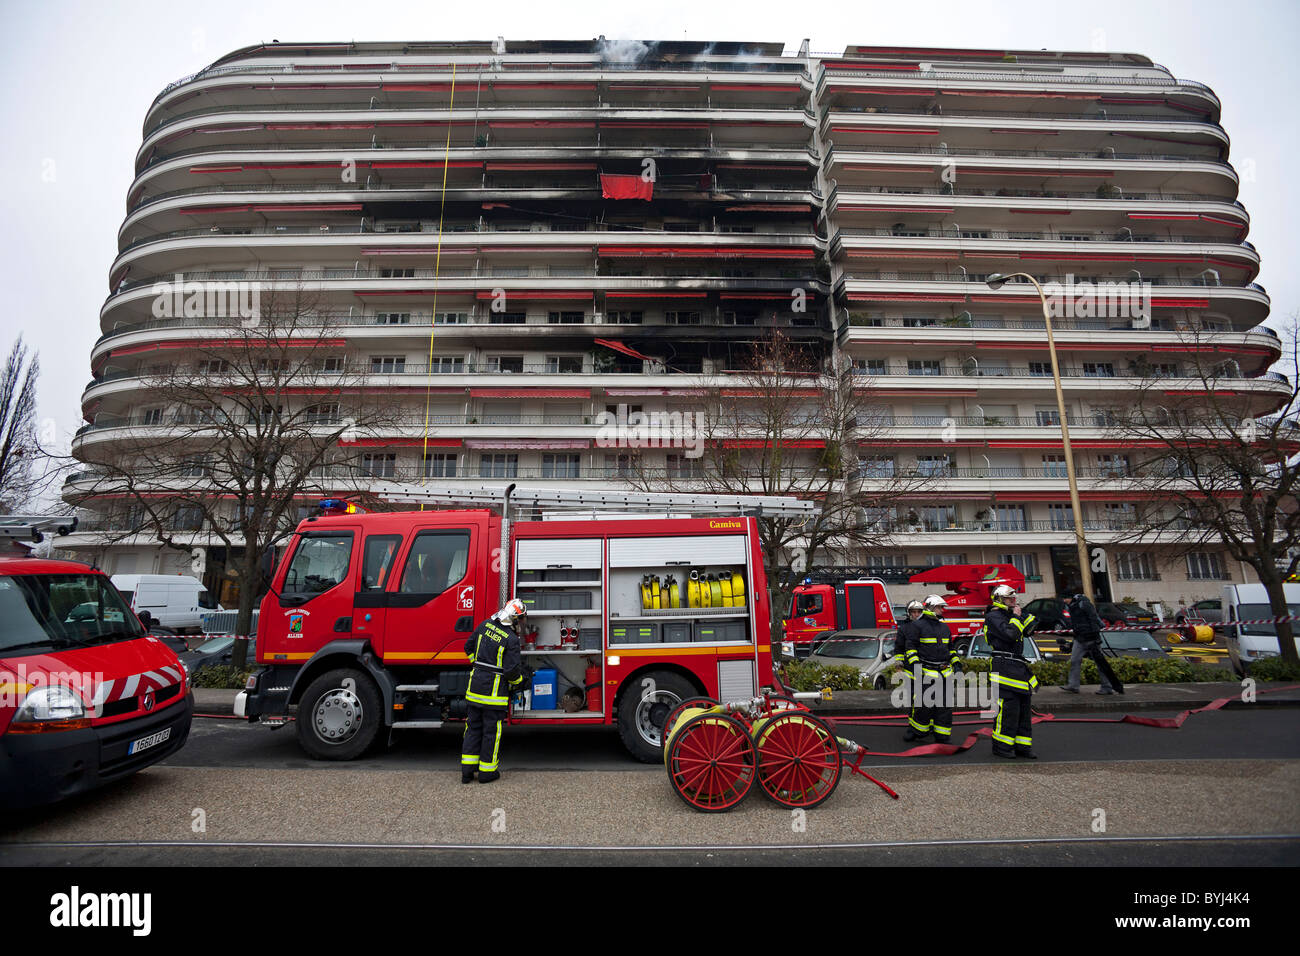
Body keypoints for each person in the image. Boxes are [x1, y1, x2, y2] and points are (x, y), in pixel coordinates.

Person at [461, 598, 527, 784]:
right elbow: (511, 672)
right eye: (519, 619)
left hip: (474, 690)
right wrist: (522, 681)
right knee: (491, 732)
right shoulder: (511, 639)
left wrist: (478, 665)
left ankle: (467, 772)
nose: (520, 622)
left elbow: (468, 647)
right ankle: (487, 773)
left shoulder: (484, 625)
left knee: (472, 729)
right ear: (514, 619)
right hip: (494, 695)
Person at [984, 584, 1038, 759]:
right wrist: (1016, 617)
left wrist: (1024, 616)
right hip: (1003, 666)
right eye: (1009, 598)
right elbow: (1009, 635)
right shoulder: (993, 616)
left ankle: (1022, 746)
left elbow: (1029, 630)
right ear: (999, 599)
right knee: (1008, 710)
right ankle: (1002, 747)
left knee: (1023, 709)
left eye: (1014, 598)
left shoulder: (1010, 615)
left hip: (1018, 667)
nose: (1013, 600)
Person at [903, 594, 960, 744]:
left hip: (945, 672)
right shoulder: (918, 626)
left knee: (944, 707)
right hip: (926, 671)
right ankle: (917, 731)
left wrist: (956, 664)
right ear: (930, 608)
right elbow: (910, 648)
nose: (943, 610)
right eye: (940, 607)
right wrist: (916, 665)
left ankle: (942, 735)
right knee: (924, 705)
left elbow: (951, 649)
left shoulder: (944, 627)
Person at [1060, 593, 1124, 696]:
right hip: (1080, 637)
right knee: (1075, 661)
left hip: (1090, 638)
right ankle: (1073, 686)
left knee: (1100, 663)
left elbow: (1093, 618)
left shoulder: (1083, 604)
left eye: (1065, 598)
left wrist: (1094, 635)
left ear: (1071, 598)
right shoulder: (1073, 606)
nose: (1064, 601)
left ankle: (1107, 687)